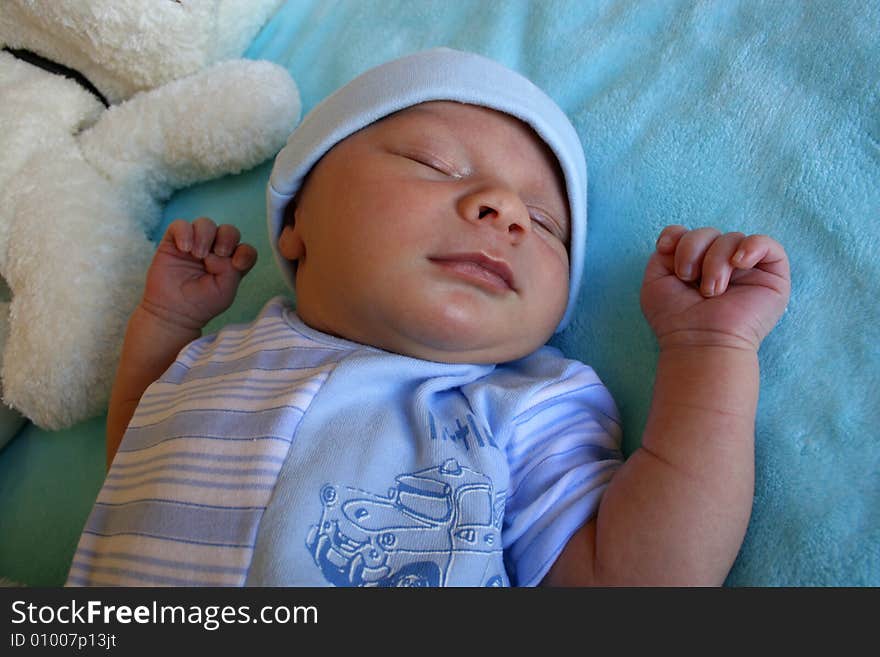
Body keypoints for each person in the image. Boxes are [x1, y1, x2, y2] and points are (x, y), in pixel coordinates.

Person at [67, 48, 790, 587]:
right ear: (297, 222)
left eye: (543, 222)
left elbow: (638, 579)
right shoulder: (225, 355)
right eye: (435, 163)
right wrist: (165, 324)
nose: (504, 210)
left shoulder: (519, 403)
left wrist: (708, 348)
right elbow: (139, 452)